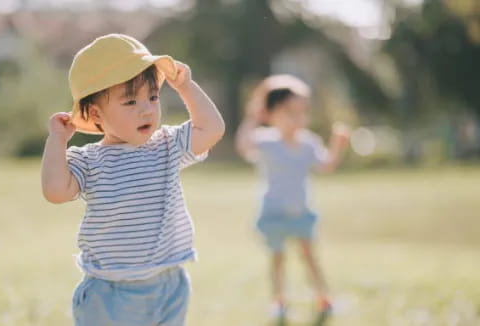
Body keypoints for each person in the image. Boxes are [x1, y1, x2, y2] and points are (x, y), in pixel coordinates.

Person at [41, 33, 225, 326]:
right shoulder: (89, 160)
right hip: (111, 293)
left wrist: (186, 87)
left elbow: (212, 129)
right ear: (95, 113)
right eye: (130, 101)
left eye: (152, 97)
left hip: (168, 282)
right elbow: (55, 191)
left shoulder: (168, 145)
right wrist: (57, 141)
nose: (146, 109)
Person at [235, 74, 348, 323]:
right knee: (277, 260)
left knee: (309, 256)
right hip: (273, 213)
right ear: (271, 113)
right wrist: (253, 117)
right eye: (290, 112)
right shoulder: (266, 141)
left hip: (300, 212)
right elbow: (243, 145)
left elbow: (326, 164)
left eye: (302, 112)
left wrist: (337, 145)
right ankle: (279, 301)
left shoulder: (308, 143)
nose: (298, 118)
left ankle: (324, 296)